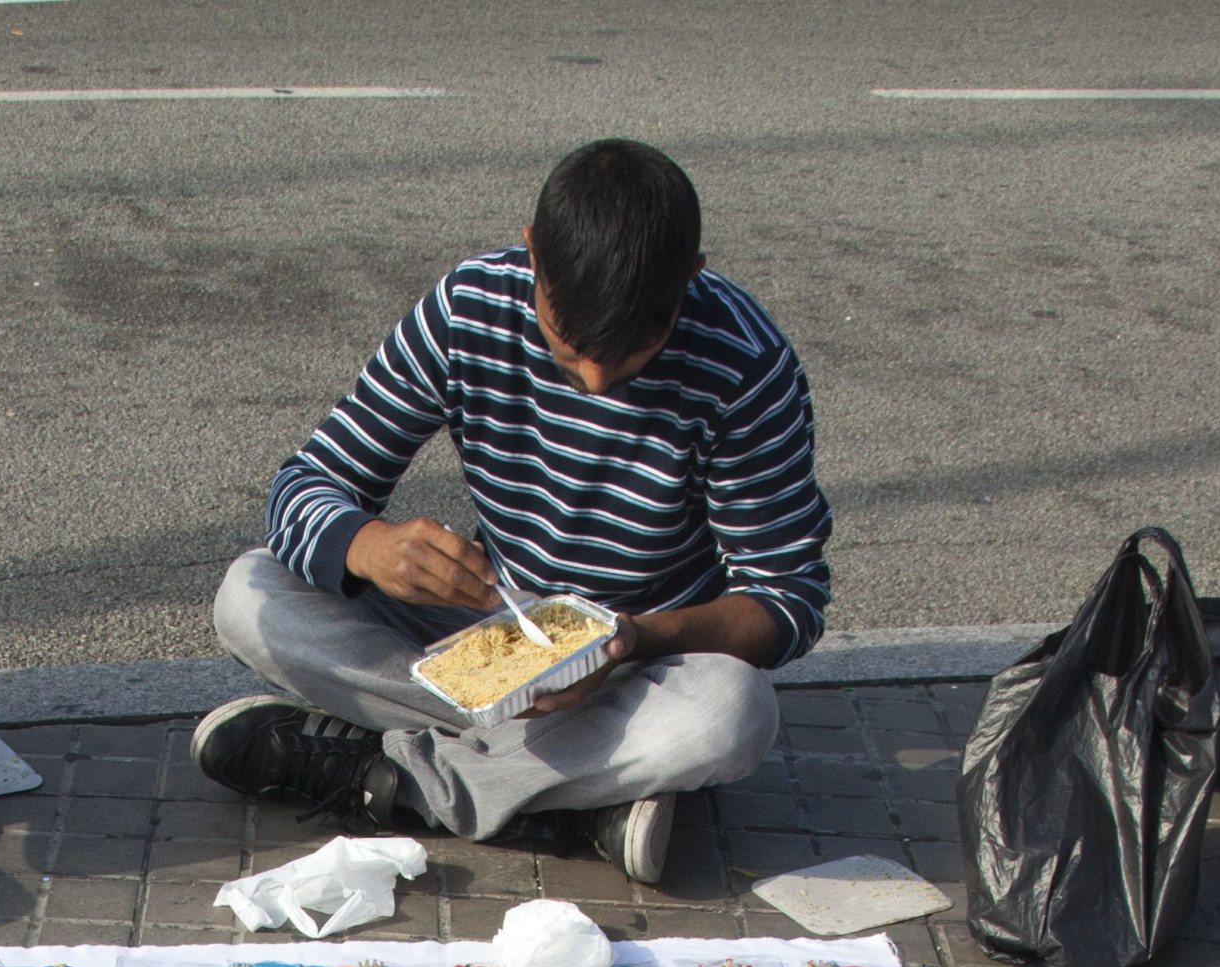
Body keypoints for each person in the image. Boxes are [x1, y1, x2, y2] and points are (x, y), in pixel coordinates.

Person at [199, 139, 831, 887]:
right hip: (487, 639)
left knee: (734, 713)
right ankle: (567, 805)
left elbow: (786, 600)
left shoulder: (744, 365)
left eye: (633, 356)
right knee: (250, 593)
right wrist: (368, 544)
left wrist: (632, 640)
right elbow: (304, 486)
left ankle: (386, 777)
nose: (597, 382)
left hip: (638, 670)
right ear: (533, 254)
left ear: (690, 279)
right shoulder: (471, 307)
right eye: (570, 353)